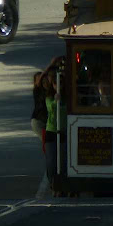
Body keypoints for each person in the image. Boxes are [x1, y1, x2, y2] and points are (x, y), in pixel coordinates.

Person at [42, 64, 67, 195]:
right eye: (55, 84)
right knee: (51, 160)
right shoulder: (49, 98)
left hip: (63, 130)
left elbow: (66, 110)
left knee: (63, 160)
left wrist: (61, 100)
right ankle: (52, 182)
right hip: (52, 131)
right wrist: (56, 101)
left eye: (60, 84)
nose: (58, 86)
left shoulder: (68, 99)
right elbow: (51, 108)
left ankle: (62, 184)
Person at [31, 71, 47, 141]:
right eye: (39, 79)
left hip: (44, 121)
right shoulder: (37, 90)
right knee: (47, 141)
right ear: (35, 82)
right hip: (38, 121)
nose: (41, 81)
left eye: (43, 79)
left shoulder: (47, 90)